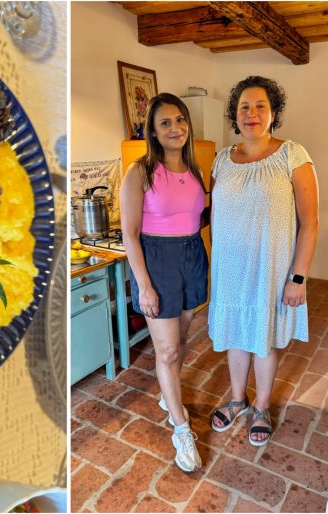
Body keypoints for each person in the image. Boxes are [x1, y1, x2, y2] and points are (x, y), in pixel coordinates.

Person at [208, 76, 320, 446]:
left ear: (274, 113)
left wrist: (298, 278)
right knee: (237, 337)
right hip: (230, 270)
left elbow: (310, 222)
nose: (251, 113)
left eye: (260, 106)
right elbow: (212, 212)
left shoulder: (292, 154)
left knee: (264, 340)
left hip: (271, 270)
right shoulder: (221, 159)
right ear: (234, 115)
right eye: (244, 107)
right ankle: (238, 399)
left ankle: (262, 406)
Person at [120, 93, 209, 472]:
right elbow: (129, 234)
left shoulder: (195, 169)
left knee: (182, 338)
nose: (176, 128)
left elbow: (198, 218)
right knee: (168, 351)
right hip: (156, 262)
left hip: (191, 256)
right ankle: (181, 427)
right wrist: (143, 284)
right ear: (153, 132)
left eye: (180, 120)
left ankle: (166, 392)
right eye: (166, 123)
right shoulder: (139, 172)